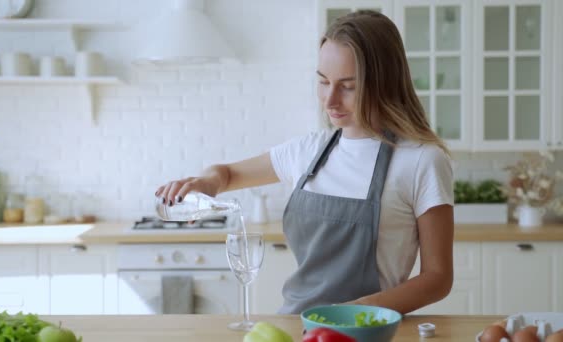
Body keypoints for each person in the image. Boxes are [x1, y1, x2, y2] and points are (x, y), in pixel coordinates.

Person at [155, 10, 454, 315]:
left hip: (368, 331)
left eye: (348, 86)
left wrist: (356, 313)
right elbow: (227, 174)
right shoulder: (309, 150)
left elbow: (438, 277)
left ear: (384, 83)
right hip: (296, 326)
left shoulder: (421, 161)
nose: (330, 100)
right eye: (324, 82)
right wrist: (208, 181)